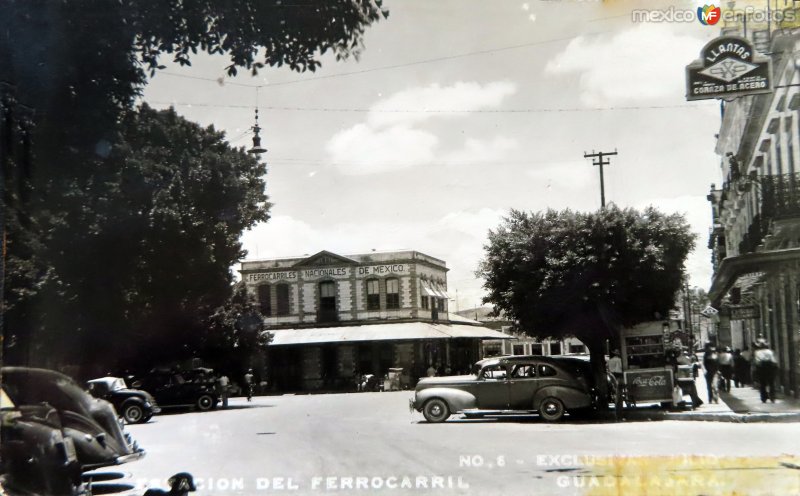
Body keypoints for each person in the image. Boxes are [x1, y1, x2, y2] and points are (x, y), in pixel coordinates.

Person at [753, 338, 778, 403]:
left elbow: (757, 361)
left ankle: (763, 398)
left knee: (762, 384)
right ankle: (772, 397)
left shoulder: (757, 352)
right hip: (770, 368)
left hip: (761, 369)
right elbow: (774, 360)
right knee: (771, 383)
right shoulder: (770, 351)